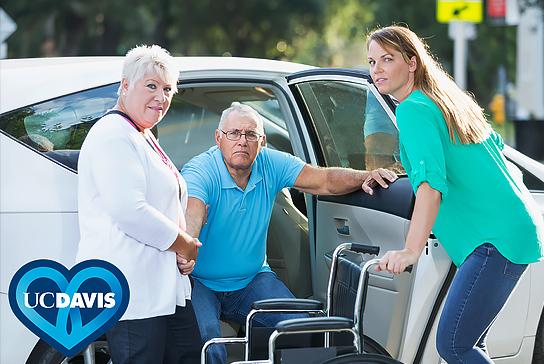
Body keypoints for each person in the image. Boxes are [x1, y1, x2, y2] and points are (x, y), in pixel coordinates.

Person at [366, 25, 544, 363]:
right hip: (512, 228)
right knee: (470, 343)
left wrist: (410, 250)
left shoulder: (412, 109)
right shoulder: (446, 100)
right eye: (372, 61)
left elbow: (431, 187)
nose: (377, 70)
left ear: (412, 62)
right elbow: (470, 163)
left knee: (455, 346)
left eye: (387, 60)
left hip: (492, 239)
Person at [179, 103, 398, 364]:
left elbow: (324, 180)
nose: (242, 141)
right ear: (218, 138)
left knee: (301, 331)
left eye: (251, 135)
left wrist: (364, 176)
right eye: (234, 133)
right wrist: (189, 244)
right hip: (200, 282)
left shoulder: (271, 163)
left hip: (252, 280)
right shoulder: (201, 170)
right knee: (207, 343)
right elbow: (192, 212)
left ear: (262, 142)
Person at [76, 45, 202, 364]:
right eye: (151, 86)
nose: (161, 97)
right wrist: (185, 245)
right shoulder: (112, 134)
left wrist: (180, 251)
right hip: (133, 294)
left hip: (163, 291)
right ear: (125, 86)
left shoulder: (141, 133)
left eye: (168, 89)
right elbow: (130, 211)